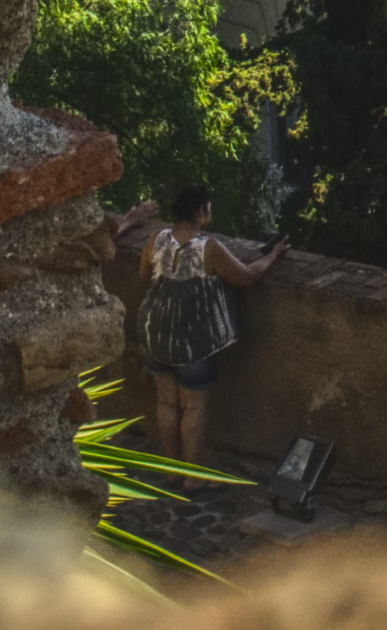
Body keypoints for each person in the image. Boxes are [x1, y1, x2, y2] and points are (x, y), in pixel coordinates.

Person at [112, 186, 287, 463]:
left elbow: (144, 275)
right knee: (194, 406)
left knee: (166, 401)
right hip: (192, 339)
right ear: (200, 212)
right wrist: (274, 255)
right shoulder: (209, 248)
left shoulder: (156, 238)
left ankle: (171, 468)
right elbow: (247, 277)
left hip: (154, 332)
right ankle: (193, 478)